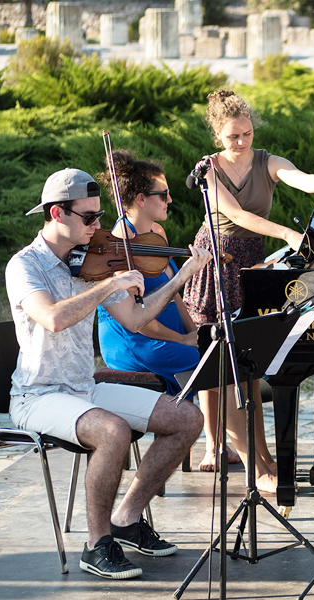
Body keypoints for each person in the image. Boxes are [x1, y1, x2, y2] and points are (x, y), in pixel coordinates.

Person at [6, 167, 211, 579]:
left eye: (99, 216)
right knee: (113, 431)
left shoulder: (98, 258)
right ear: (56, 214)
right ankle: (96, 544)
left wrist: (180, 279)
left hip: (84, 388)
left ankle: (127, 518)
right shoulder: (25, 266)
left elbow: (135, 318)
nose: (99, 227)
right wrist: (104, 287)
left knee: (188, 418)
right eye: (89, 218)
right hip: (38, 395)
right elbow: (51, 318)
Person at [183, 89, 314, 492]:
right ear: (218, 135)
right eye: (233, 136)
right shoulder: (208, 170)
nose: (242, 142)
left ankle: (260, 457)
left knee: (244, 360)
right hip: (216, 259)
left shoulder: (266, 160)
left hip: (251, 262)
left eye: (247, 134)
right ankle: (215, 443)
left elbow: (295, 177)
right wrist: (288, 232)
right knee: (217, 360)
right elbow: (234, 214)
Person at [94, 149, 241, 471]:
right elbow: (139, 321)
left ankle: (216, 446)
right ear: (142, 199)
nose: (170, 200)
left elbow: (175, 294)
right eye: (163, 194)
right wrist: (182, 340)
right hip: (137, 344)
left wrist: (193, 333)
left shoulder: (155, 235)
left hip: (170, 335)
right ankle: (251, 459)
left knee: (219, 354)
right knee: (218, 367)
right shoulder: (120, 245)